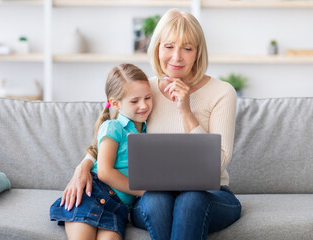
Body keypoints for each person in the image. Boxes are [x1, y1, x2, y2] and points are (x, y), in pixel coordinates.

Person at [61, 8, 242, 240]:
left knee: (191, 199)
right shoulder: (145, 90)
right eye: (169, 46)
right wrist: (83, 166)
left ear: (197, 53)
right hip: (154, 195)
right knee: (157, 199)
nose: (176, 57)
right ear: (157, 48)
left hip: (210, 195)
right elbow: (112, 128)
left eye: (187, 48)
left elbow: (217, 163)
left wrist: (185, 110)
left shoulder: (221, 92)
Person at [49, 63, 153, 240]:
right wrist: (145, 191)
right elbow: (105, 172)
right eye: (135, 101)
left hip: (117, 207)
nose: (143, 105)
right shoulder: (113, 128)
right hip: (93, 194)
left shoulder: (148, 131)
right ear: (115, 103)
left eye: (148, 98)